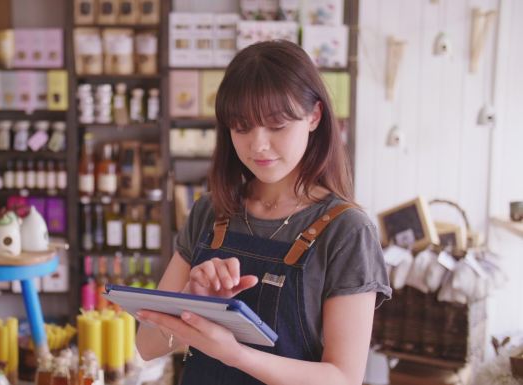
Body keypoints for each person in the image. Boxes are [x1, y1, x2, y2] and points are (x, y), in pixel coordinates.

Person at [135, 40, 391, 385]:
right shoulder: (211, 211)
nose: (258, 145)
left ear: (313, 116)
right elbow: (146, 345)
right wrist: (191, 305)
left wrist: (236, 355)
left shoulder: (347, 231)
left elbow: (342, 377)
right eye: (242, 127)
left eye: (276, 125)